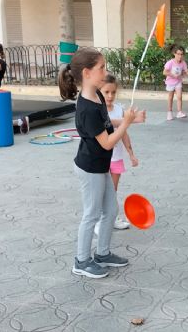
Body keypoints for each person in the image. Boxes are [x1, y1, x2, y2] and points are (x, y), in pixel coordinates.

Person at [58, 47, 140, 279]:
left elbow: (107, 121)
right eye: (101, 67)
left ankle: (102, 254)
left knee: (111, 210)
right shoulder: (86, 108)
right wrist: (126, 124)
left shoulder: (98, 95)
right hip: (90, 168)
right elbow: (106, 143)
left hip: (100, 165)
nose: (105, 70)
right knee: (91, 214)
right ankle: (82, 261)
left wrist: (130, 120)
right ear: (86, 73)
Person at [93, 74, 139, 231]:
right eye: (106, 92)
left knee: (112, 191)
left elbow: (124, 132)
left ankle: (112, 218)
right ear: (99, 91)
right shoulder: (97, 110)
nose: (110, 96)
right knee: (102, 191)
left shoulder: (120, 109)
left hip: (116, 157)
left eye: (113, 92)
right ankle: (99, 221)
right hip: (102, 158)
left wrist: (131, 153)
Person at [163, 45, 188, 121]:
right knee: (170, 97)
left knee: (179, 96)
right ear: (174, 54)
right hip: (170, 82)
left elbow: (186, 71)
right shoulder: (170, 63)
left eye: (181, 54)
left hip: (178, 82)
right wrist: (173, 75)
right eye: (178, 54)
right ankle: (169, 112)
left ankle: (179, 112)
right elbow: (164, 72)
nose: (180, 56)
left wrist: (187, 72)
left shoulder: (183, 63)